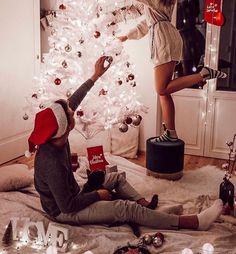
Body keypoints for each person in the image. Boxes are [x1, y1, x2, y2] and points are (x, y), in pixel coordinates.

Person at [27, 56, 223, 231]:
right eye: (70, 114)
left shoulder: (56, 134)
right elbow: (67, 206)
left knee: (116, 178)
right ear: (65, 127)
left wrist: (95, 75)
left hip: (74, 192)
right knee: (125, 209)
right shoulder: (50, 161)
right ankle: (194, 222)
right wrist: (98, 196)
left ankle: (145, 207)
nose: (72, 111)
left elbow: (73, 102)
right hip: (65, 211)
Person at [87, 0, 227, 142]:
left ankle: (202, 74)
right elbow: (148, 23)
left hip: (164, 41)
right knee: (164, 92)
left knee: (161, 89)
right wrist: (127, 36)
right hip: (166, 37)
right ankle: (171, 132)